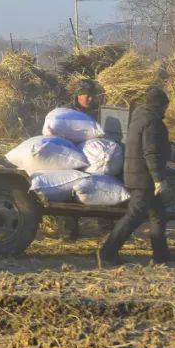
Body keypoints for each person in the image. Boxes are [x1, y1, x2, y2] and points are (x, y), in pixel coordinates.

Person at [98, 86, 173, 267]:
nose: (165, 111)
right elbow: (151, 152)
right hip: (144, 178)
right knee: (135, 215)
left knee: (158, 215)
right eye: (164, 107)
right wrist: (158, 179)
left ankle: (161, 256)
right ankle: (107, 252)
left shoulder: (139, 118)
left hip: (136, 174)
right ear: (159, 105)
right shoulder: (152, 121)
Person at [59, 79, 104, 241]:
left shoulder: (99, 113)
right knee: (69, 194)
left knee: (101, 189)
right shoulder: (66, 112)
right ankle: (69, 232)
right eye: (87, 95)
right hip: (70, 157)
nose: (90, 99)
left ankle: (105, 228)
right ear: (78, 95)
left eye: (92, 96)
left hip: (94, 159)